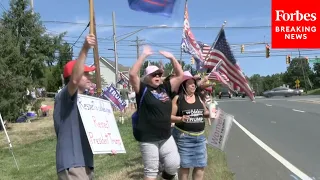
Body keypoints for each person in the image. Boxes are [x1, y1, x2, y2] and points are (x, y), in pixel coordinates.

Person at [129, 45, 183, 180]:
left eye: (159, 74)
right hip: (148, 137)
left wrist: (172, 58)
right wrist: (144, 55)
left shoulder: (165, 88)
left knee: (173, 164)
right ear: (147, 77)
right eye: (154, 74)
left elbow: (180, 75)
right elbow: (132, 74)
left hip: (165, 135)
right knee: (151, 171)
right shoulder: (142, 89)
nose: (158, 76)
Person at [53, 34, 98, 180]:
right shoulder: (64, 96)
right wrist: (85, 48)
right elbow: (75, 79)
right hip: (72, 164)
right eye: (86, 74)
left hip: (86, 162)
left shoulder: (86, 101)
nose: (90, 77)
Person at [171, 71, 210, 180]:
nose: (193, 85)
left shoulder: (198, 98)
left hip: (200, 138)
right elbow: (169, 117)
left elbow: (205, 113)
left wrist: (212, 112)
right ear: (184, 85)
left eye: (194, 83)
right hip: (184, 138)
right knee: (185, 167)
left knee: (200, 166)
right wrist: (180, 118)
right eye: (190, 83)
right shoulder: (178, 99)